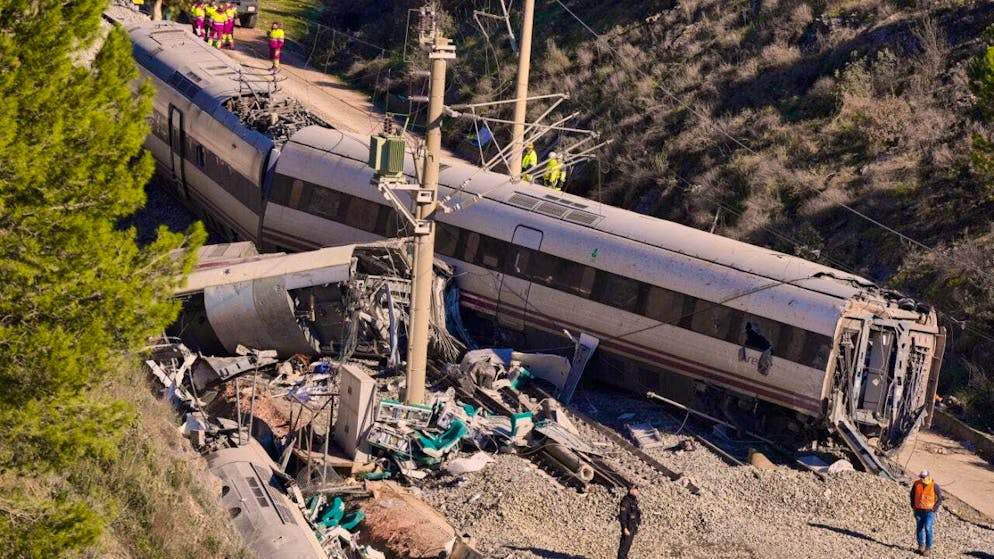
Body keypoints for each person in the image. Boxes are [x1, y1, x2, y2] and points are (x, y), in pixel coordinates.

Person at [911, 469, 944, 556]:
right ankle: (921, 546)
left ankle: (928, 548)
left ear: (928, 477)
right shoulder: (916, 484)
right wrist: (913, 506)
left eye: (923, 477)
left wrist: (934, 509)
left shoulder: (934, 486)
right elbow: (912, 494)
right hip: (918, 511)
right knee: (919, 528)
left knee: (928, 528)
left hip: (929, 512)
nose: (921, 479)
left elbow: (940, 498)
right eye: (920, 477)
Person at [617, 484, 641, 559]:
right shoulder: (625, 502)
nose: (637, 491)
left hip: (632, 527)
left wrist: (638, 524)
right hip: (628, 527)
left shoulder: (633, 501)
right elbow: (622, 516)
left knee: (627, 547)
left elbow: (636, 514)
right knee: (623, 549)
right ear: (631, 490)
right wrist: (624, 528)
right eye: (636, 489)